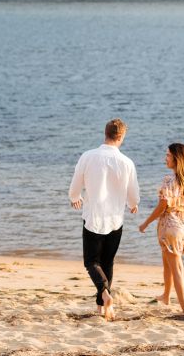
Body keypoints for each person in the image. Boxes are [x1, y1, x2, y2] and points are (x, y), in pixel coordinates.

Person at [69, 118, 139, 321]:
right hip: (115, 219)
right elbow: (133, 191)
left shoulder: (88, 156)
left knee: (91, 262)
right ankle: (101, 306)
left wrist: (75, 198)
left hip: (93, 216)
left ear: (105, 133)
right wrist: (133, 204)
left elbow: (76, 183)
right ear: (122, 137)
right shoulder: (126, 162)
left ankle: (105, 295)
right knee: (108, 261)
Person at [139, 143, 184, 314]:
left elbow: (163, 206)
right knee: (167, 263)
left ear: (177, 159)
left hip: (171, 225)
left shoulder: (169, 180)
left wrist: (146, 222)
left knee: (177, 268)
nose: (165, 158)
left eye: (168, 155)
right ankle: (166, 296)